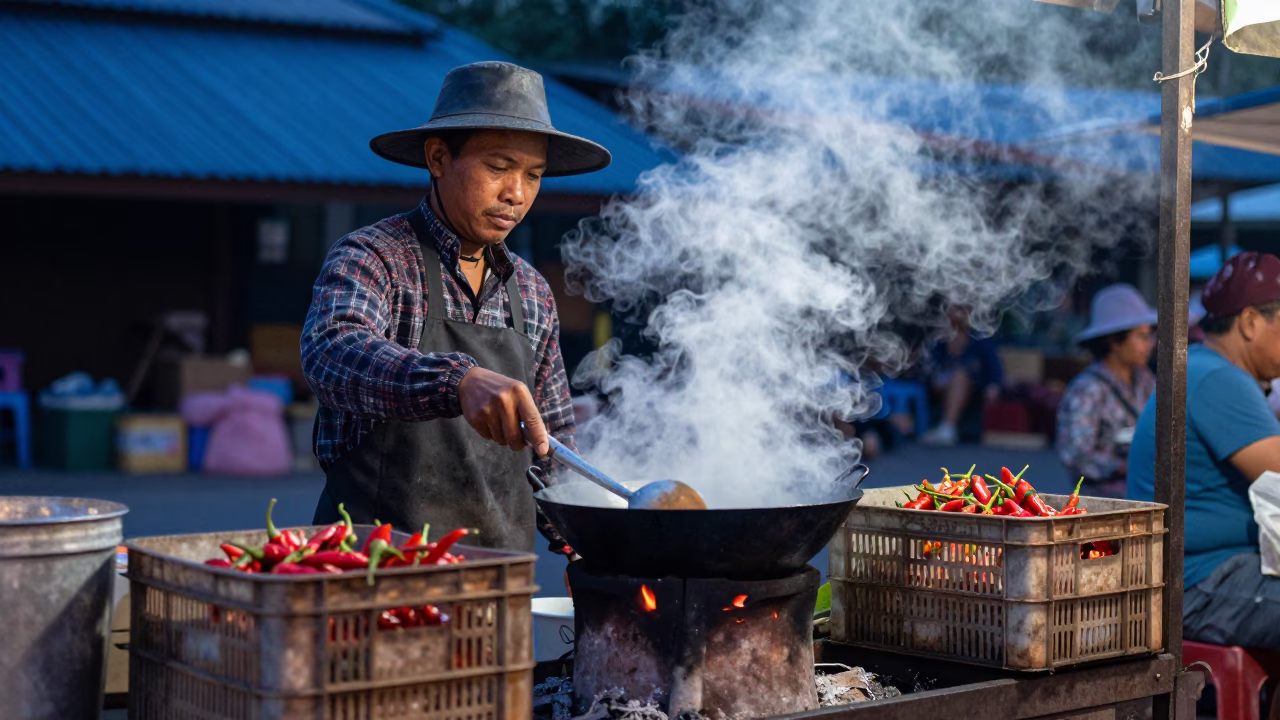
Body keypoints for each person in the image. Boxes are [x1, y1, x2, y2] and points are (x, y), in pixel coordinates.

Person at [300, 62, 611, 553]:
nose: (516, 194)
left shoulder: (531, 291)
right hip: (367, 573)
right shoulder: (375, 257)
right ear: (439, 157)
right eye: (499, 167)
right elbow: (332, 352)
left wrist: (586, 545)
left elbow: (552, 442)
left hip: (493, 583)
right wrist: (457, 382)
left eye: (534, 176)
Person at [1128, 252, 1280, 650]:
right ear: (1250, 322)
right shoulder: (1219, 379)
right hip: (1199, 581)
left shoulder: (1201, 368)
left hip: (1206, 572)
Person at [1054, 284, 1157, 498]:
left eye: (1149, 336)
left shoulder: (1147, 381)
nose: (1148, 344)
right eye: (1141, 337)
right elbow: (1076, 456)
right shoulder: (1087, 391)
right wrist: (1123, 466)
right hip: (1105, 498)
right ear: (1114, 341)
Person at [920, 308, 1004, 446]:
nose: (959, 315)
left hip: (972, 385)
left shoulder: (981, 339)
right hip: (938, 384)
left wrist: (994, 385)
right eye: (956, 309)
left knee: (960, 375)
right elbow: (927, 366)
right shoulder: (938, 339)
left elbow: (994, 366)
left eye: (964, 311)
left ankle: (947, 427)